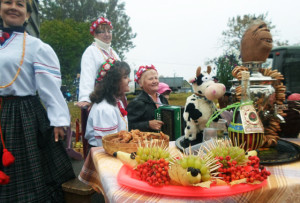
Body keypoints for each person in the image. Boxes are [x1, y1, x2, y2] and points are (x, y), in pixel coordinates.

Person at [0, 0, 75, 202]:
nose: (13, 7)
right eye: (8, 2)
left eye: (20, 4)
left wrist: (59, 120)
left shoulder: (35, 46)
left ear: (27, 15)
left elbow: (49, 87)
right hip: (1, 110)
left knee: (25, 170)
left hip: (22, 115)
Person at [76, 17, 120, 157]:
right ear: (94, 34)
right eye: (102, 31)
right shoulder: (91, 51)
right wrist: (86, 99)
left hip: (115, 97)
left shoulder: (113, 52)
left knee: (117, 131)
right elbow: (87, 76)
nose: (107, 34)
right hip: (100, 98)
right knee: (101, 137)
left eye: (109, 31)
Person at [85, 59, 131, 147]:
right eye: (125, 77)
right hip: (103, 155)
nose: (129, 80)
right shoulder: (105, 108)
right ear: (113, 82)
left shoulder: (116, 102)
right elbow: (107, 144)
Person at [126, 65, 168, 132]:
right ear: (140, 83)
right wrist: (147, 124)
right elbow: (127, 125)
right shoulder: (137, 103)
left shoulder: (163, 99)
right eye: (150, 79)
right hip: (146, 141)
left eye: (156, 78)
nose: (155, 81)